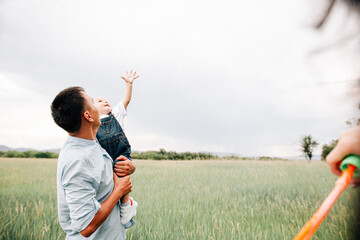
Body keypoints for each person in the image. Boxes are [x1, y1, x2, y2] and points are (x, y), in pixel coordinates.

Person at [51, 86, 135, 239]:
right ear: (88, 116)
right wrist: (119, 191)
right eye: (92, 102)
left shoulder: (91, 142)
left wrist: (129, 167)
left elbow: (105, 173)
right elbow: (86, 226)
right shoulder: (78, 161)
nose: (98, 104)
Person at [94, 70, 139, 226]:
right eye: (100, 101)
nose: (106, 102)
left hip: (121, 154)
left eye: (106, 100)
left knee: (123, 177)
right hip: (106, 158)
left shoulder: (116, 114)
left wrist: (128, 83)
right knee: (113, 184)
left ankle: (127, 206)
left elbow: (126, 100)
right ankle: (126, 204)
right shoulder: (93, 123)